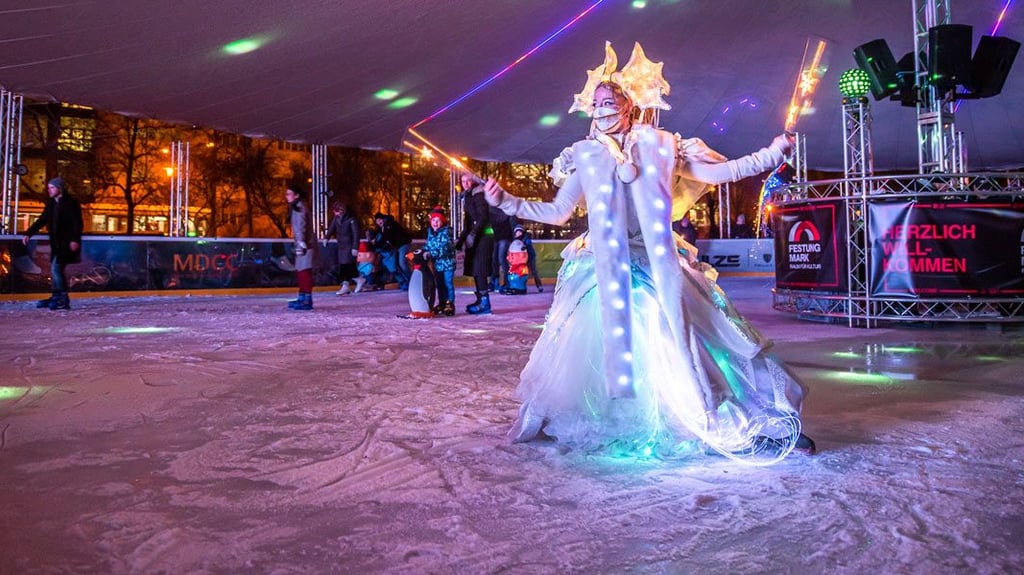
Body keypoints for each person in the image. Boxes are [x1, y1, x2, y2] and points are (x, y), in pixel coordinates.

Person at [483, 43, 813, 463]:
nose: (602, 109)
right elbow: (557, 211)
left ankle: (733, 416)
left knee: (699, 335)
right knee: (607, 346)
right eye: (596, 104)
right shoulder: (584, 155)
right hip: (605, 267)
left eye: (610, 101)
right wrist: (506, 201)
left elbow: (723, 172)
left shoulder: (662, 145)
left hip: (658, 262)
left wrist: (772, 153)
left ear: (629, 104)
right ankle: (621, 420)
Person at [23, 177, 83, 310]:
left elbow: (77, 223)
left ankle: (62, 298)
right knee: (55, 269)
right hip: (56, 243)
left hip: (66, 243)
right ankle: (57, 296)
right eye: (48, 188)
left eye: (52, 188)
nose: (49, 190)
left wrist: (74, 240)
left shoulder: (71, 203)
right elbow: (42, 220)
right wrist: (28, 233)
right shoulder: (51, 203)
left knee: (56, 269)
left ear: (59, 188)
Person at [454, 173, 494, 315]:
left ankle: (485, 303)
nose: (465, 183)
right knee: (475, 270)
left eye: (468, 180)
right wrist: (460, 241)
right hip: (476, 236)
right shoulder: (468, 196)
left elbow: (483, 217)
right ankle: (480, 299)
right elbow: (468, 222)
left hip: (484, 236)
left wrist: (473, 234)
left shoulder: (478, 194)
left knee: (480, 269)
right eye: (463, 181)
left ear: (474, 181)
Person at [285, 183, 317, 311]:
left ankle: (306, 300)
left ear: (296, 195)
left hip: (305, 245)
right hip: (302, 244)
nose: (286, 196)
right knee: (301, 271)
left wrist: (302, 242)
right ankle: (302, 297)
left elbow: (301, 226)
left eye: (289, 194)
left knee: (304, 271)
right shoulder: (296, 207)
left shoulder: (299, 208)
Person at [423, 206, 456, 316]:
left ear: (442, 222)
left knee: (447, 283)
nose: (435, 223)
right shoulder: (431, 232)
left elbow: (444, 247)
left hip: (447, 264)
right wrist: (423, 251)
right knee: (440, 284)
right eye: (433, 220)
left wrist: (431, 254)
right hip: (437, 265)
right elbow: (428, 245)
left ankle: (449, 303)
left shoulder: (446, 232)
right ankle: (442, 303)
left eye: (438, 220)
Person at [323, 202, 362, 295]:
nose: (335, 213)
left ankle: (346, 285)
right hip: (341, 246)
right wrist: (326, 237)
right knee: (346, 265)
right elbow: (332, 228)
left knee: (346, 265)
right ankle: (357, 280)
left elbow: (356, 234)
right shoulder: (336, 219)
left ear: (342, 210)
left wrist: (355, 247)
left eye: (336, 211)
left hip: (349, 246)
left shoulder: (351, 219)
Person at [372, 213, 411, 290]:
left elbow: (388, 236)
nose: (379, 222)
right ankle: (405, 281)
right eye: (377, 221)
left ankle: (411, 279)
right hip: (396, 247)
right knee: (395, 265)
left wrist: (381, 244)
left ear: (383, 219)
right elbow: (382, 238)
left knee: (402, 263)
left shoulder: (389, 224)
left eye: (380, 220)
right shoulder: (382, 228)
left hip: (403, 244)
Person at [513, 224, 544, 292]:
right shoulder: (515, 240)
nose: (518, 233)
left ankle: (539, 285)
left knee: (534, 271)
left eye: (520, 231)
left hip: (530, 257)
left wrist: (525, 246)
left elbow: (528, 243)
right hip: (521, 258)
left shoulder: (526, 237)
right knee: (522, 272)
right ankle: (521, 286)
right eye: (517, 232)